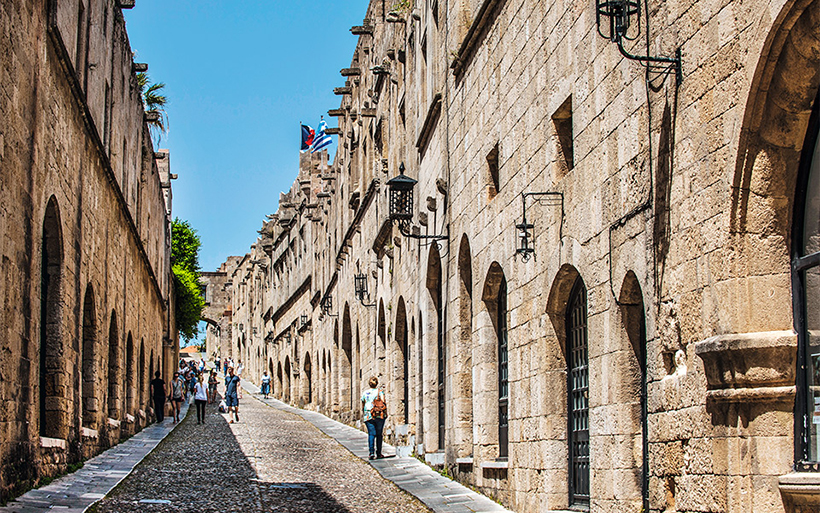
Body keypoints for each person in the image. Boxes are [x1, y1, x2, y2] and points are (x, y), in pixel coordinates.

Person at [361, 376, 387, 460]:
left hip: (368, 415)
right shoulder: (380, 392)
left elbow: (363, 403)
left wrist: (365, 412)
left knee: (371, 434)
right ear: (377, 383)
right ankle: (379, 453)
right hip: (379, 415)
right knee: (379, 434)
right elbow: (383, 403)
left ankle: (371, 453)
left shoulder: (365, 393)